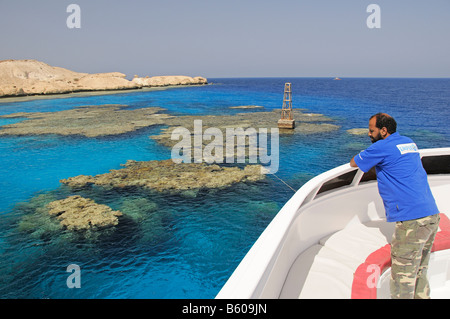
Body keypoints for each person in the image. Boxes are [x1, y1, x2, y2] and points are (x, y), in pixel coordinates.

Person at [350, 113, 440, 299]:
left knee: (402, 280)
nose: (368, 133)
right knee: (420, 272)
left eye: (372, 130)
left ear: (383, 131)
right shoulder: (409, 142)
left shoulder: (382, 147)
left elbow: (354, 163)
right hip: (431, 215)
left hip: (412, 221)